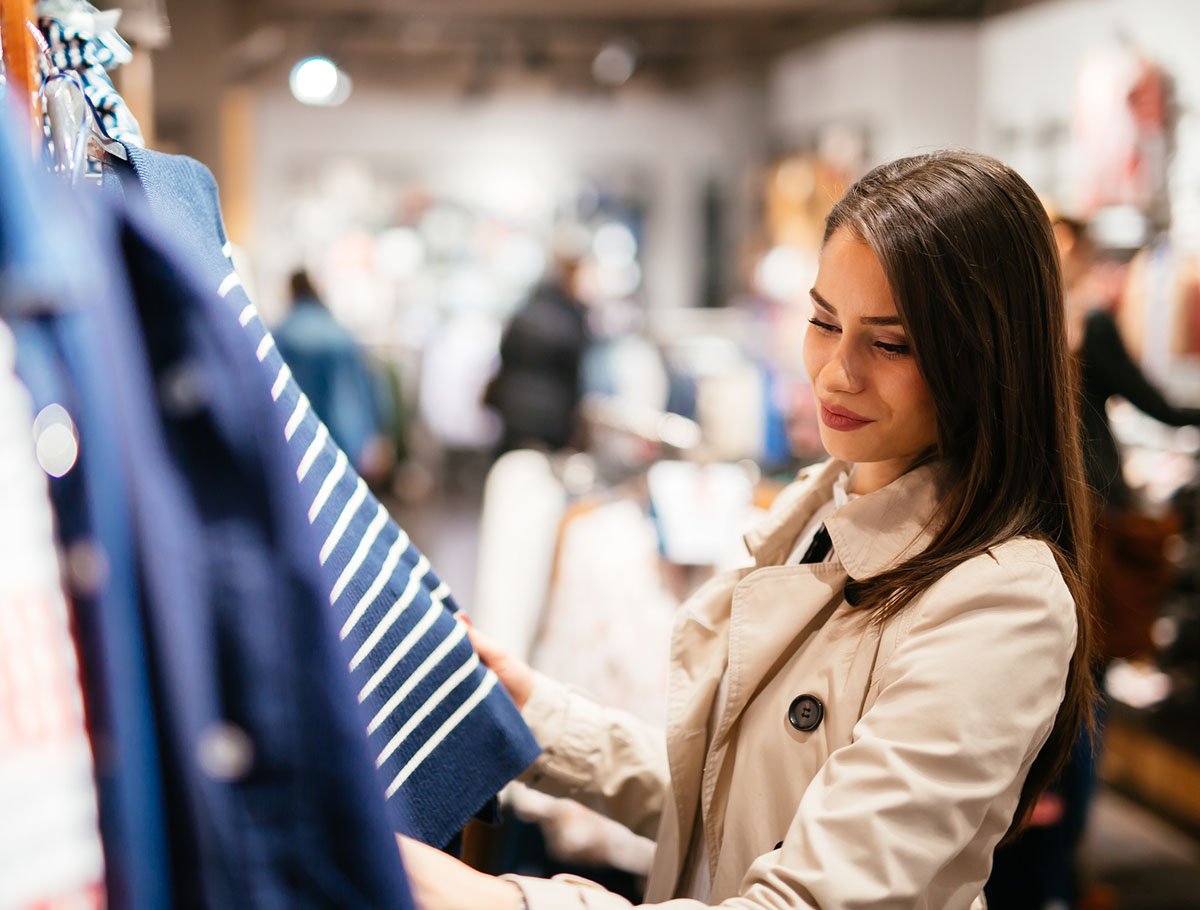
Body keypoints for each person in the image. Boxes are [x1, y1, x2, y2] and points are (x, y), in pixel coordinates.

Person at [400, 151, 1097, 910]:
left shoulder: (999, 601)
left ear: (986, 355)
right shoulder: (818, 510)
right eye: (824, 321)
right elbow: (739, 803)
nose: (836, 372)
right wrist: (536, 713)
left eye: (889, 343)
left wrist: (493, 901)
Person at [273, 269, 393, 485]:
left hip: (299, 439)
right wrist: (375, 434)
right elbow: (365, 388)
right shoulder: (340, 333)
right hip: (344, 435)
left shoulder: (283, 334)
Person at [485, 247, 591, 454]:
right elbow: (575, 375)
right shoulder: (571, 318)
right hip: (552, 418)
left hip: (514, 409)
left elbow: (505, 355)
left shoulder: (526, 309)